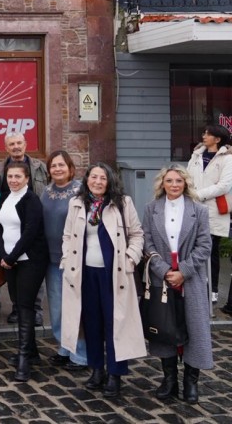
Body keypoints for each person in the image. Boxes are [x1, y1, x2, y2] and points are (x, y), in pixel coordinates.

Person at [61, 163, 146, 398]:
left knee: (115, 324)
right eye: (93, 177)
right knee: (92, 323)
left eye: (103, 178)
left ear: (110, 181)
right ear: (87, 179)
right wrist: (66, 259)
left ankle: (115, 374)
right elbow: (67, 235)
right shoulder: (77, 203)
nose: (98, 182)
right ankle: (97, 369)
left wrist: (130, 259)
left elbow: (137, 234)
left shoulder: (122, 203)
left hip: (114, 274)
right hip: (85, 273)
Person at [143, 165, 212, 404]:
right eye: (170, 181)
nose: (174, 185)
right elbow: (147, 243)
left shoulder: (199, 210)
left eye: (179, 181)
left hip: (190, 278)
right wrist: (163, 270)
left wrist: (183, 271)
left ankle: (191, 382)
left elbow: (204, 245)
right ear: (162, 184)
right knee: (165, 325)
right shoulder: (151, 209)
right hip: (162, 278)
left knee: (194, 327)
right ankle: (169, 379)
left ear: (185, 184)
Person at [0, 161, 48, 382]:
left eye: (18, 176)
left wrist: (11, 257)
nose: (13, 180)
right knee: (18, 304)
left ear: (27, 178)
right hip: (10, 261)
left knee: (25, 307)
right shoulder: (5, 197)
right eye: (10, 176)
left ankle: (24, 359)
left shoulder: (31, 200)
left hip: (30, 261)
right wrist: (3, 255)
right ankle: (32, 352)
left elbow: (29, 233)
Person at [0, 131, 47, 324]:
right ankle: (17, 308)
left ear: (25, 144)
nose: (16, 147)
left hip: (32, 223)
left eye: (19, 143)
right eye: (12, 144)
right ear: (6, 147)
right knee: (14, 274)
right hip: (10, 224)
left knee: (33, 273)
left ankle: (36, 309)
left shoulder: (39, 167)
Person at [41, 151, 87, 368]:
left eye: (61, 165)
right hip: (51, 259)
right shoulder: (46, 192)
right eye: (53, 166)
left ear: (70, 168)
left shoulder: (80, 191)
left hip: (74, 259)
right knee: (57, 307)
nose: (57, 169)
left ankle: (81, 354)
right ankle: (64, 347)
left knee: (76, 308)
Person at [186, 124, 232, 305]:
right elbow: (188, 177)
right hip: (192, 208)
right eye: (204, 133)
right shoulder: (197, 154)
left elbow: (224, 186)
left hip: (213, 209)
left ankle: (212, 290)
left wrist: (198, 195)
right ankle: (196, 286)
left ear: (218, 139)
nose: (204, 136)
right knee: (191, 248)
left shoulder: (227, 159)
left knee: (211, 251)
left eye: (208, 134)